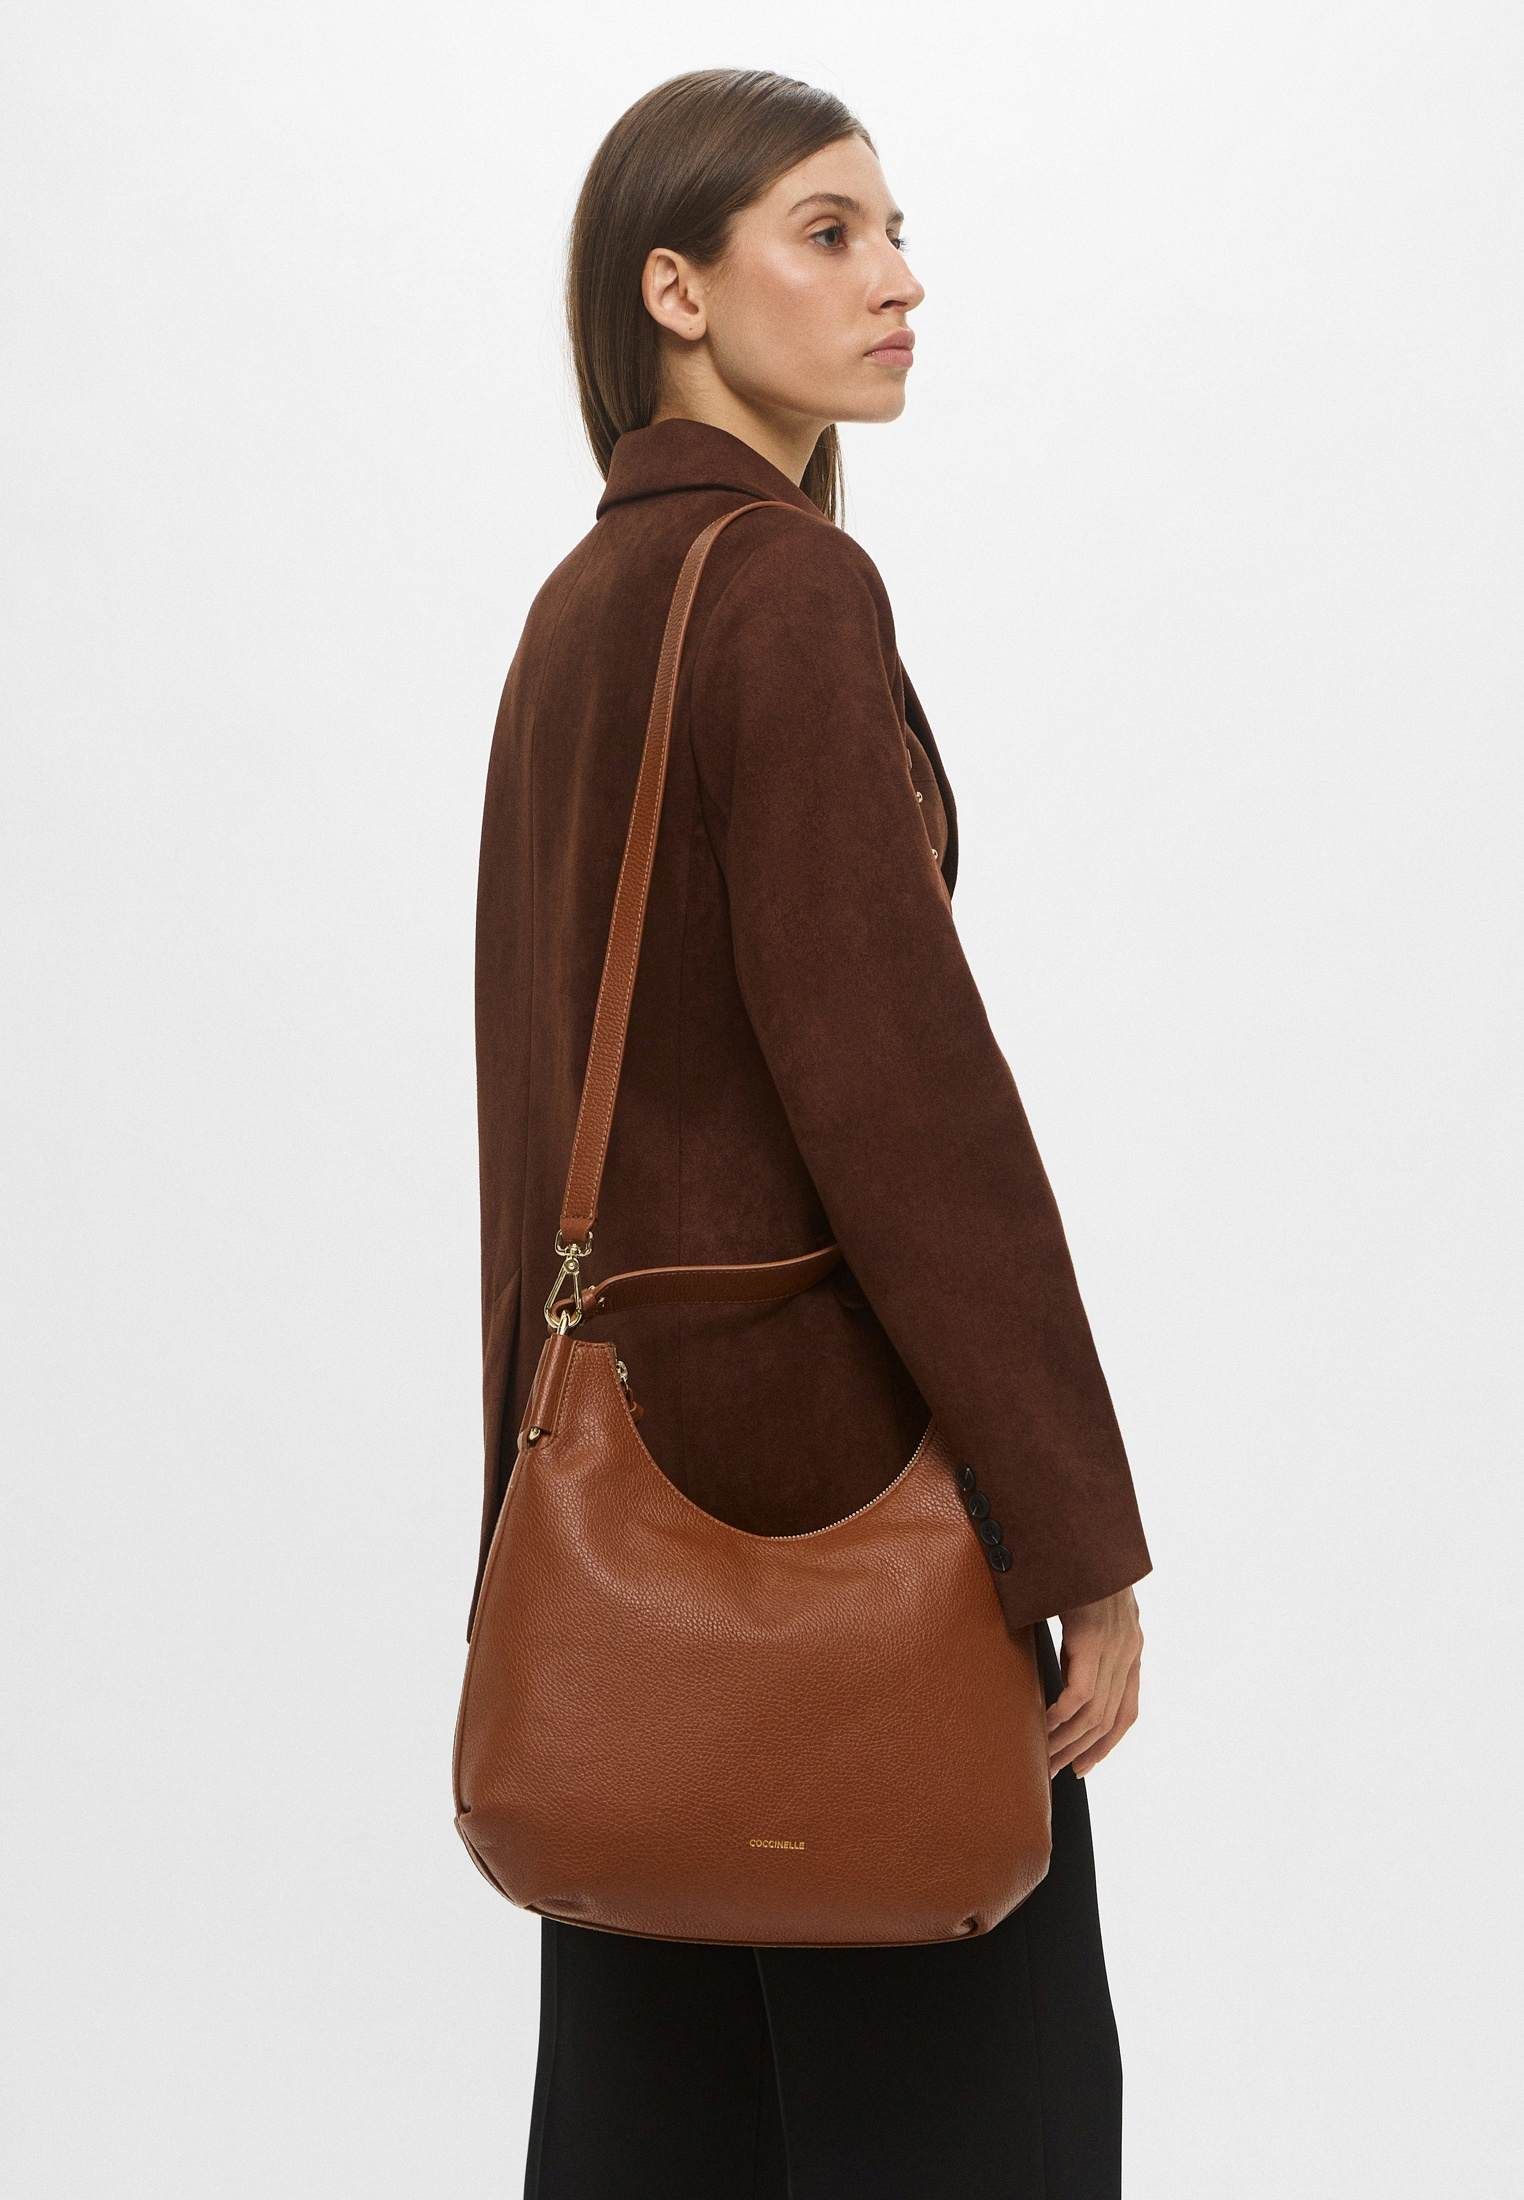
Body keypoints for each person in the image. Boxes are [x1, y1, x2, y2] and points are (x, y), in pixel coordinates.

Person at [469, 67, 1154, 2200]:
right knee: (973, 2135)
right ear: (673, 289)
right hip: (851, 1540)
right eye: (831, 232)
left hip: (628, 1566)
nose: (900, 280)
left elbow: (539, 1122)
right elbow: (907, 1103)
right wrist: (1076, 1534)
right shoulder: (781, 590)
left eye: (898, 232)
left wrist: (529, 1529)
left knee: (669, 2142)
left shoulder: (584, 605)